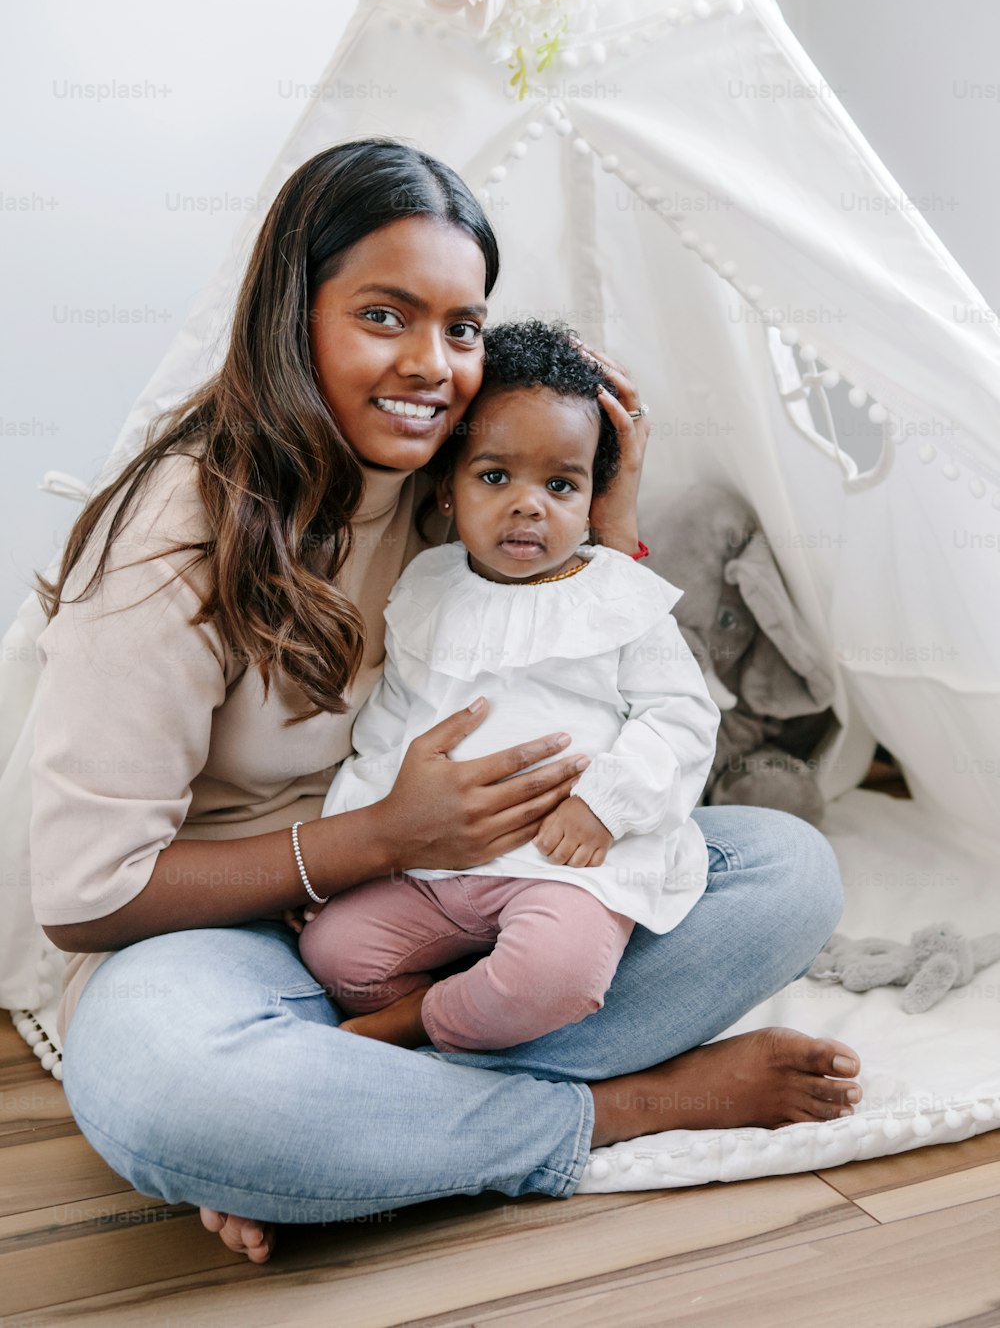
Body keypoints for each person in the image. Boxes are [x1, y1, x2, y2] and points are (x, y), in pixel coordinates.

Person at [29, 139, 862, 1267]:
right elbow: (86, 898)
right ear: (293, 317)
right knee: (175, 1099)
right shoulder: (172, 538)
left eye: (461, 327)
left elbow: (601, 678)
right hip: (217, 934)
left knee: (783, 868)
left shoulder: (448, 482)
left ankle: (356, 1117)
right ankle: (624, 1107)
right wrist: (381, 836)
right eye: (385, 315)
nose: (433, 365)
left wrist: (606, 525)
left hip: (463, 896)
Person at [298, 320, 722, 1053]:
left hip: (567, 865)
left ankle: (418, 1023)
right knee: (336, 955)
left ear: (594, 497)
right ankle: (474, 1006)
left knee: (554, 977)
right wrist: (358, 851)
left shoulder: (617, 593)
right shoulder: (426, 589)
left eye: (561, 484)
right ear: (447, 493)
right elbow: (386, 731)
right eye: (496, 477)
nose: (530, 505)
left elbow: (682, 718)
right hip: (438, 866)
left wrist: (604, 804)